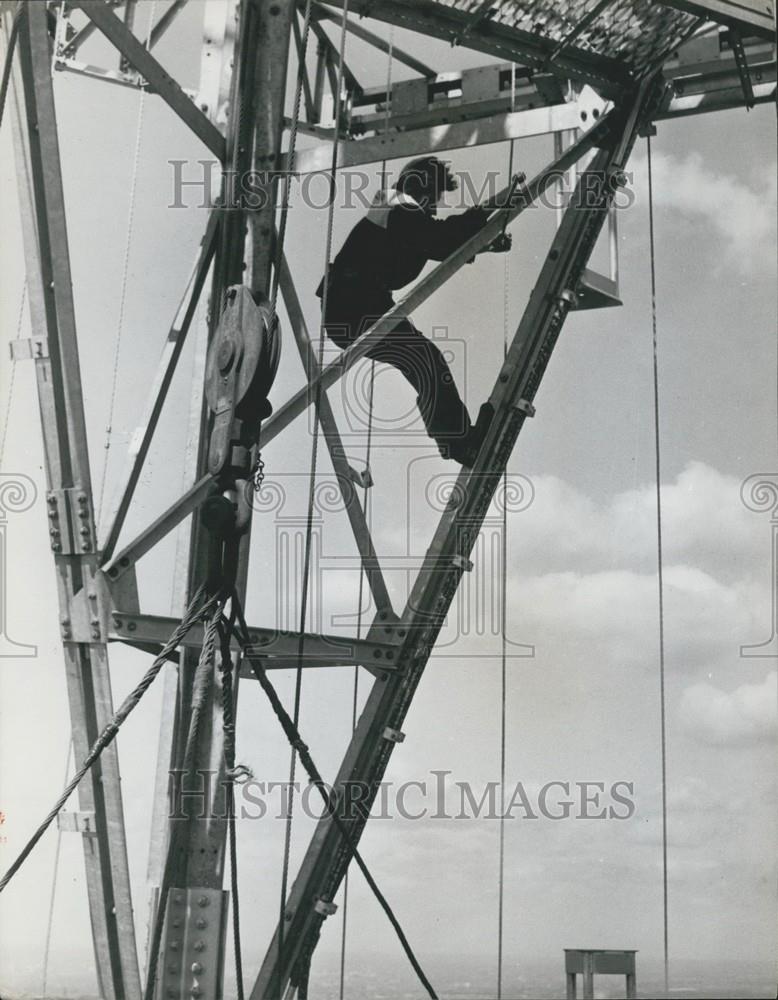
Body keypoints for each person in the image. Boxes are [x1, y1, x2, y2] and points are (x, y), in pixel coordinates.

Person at [316, 156, 510, 466]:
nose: (433, 209)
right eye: (432, 201)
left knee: (424, 362)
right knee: (425, 361)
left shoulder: (396, 214)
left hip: (355, 306)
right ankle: (458, 443)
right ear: (419, 188)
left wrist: (483, 245)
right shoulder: (400, 207)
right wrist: (493, 205)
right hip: (354, 307)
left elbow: (435, 244)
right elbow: (440, 239)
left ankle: (457, 441)